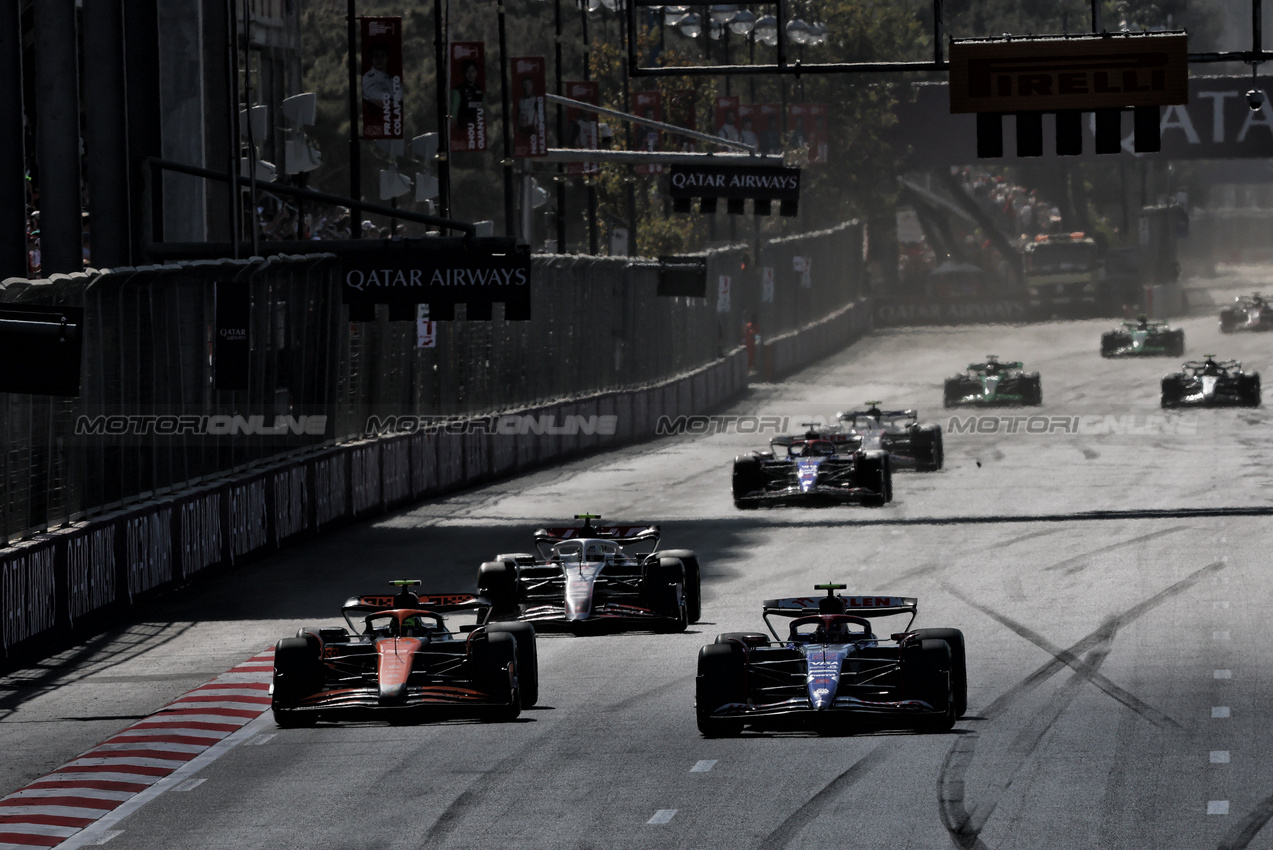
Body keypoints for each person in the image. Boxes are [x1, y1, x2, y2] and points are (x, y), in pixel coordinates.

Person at [451, 59, 483, 128]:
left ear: (476, 72)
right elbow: (453, 112)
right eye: (467, 71)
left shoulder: (480, 90)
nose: (470, 74)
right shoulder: (458, 90)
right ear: (464, 73)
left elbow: (484, 109)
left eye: (472, 71)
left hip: (478, 129)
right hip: (461, 127)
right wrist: (452, 120)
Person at [362, 42, 394, 107]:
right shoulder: (368, 77)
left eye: (382, 55)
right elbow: (376, 95)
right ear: (372, 59)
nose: (380, 59)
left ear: (387, 58)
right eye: (376, 56)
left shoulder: (391, 78)